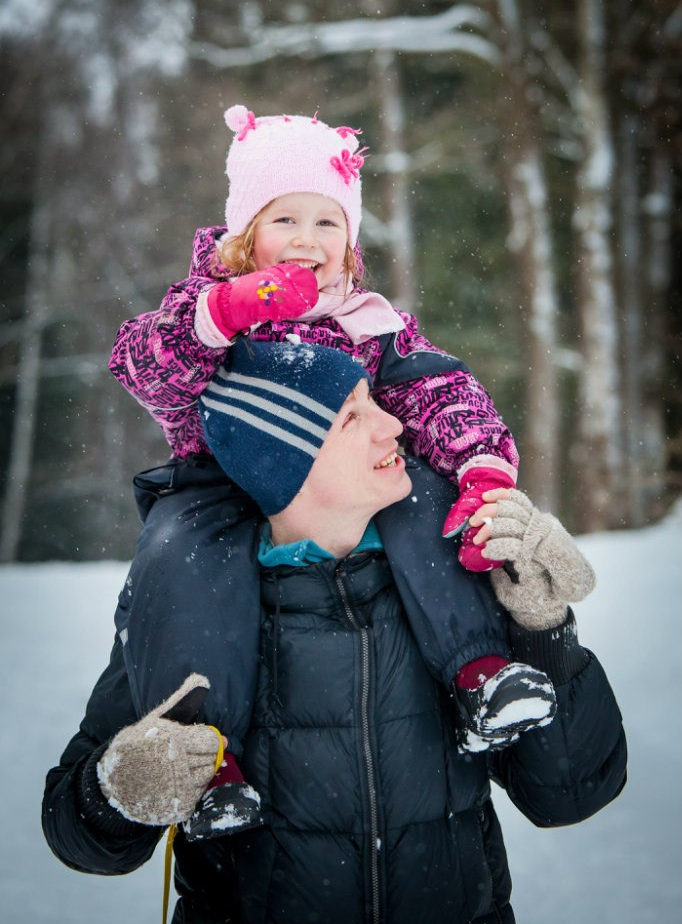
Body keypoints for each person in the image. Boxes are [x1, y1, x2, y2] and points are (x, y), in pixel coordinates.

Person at [43, 340, 627, 924]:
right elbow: (81, 838)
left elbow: (571, 793)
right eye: (353, 416)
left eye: (373, 401)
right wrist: (116, 790)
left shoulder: (444, 587)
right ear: (285, 465)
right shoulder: (196, 617)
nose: (393, 423)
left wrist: (544, 629)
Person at [109, 105, 546, 825]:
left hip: (353, 483)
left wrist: (481, 464)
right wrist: (220, 316)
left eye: (327, 223)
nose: (307, 241)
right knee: (177, 558)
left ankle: (479, 671)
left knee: (425, 509)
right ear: (245, 233)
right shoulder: (202, 308)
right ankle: (197, 752)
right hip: (221, 484)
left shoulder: (368, 321)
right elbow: (143, 368)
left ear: (350, 240)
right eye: (285, 220)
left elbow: (441, 389)